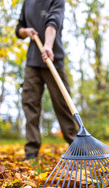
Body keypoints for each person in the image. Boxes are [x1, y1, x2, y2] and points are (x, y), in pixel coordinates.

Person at [15, 0, 77, 160]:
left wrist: (48, 46)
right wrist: (25, 31)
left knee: (64, 104)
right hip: (32, 62)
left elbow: (53, 22)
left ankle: (77, 147)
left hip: (53, 59)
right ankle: (31, 150)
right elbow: (18, 28)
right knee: (30, 104)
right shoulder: (27, 2)